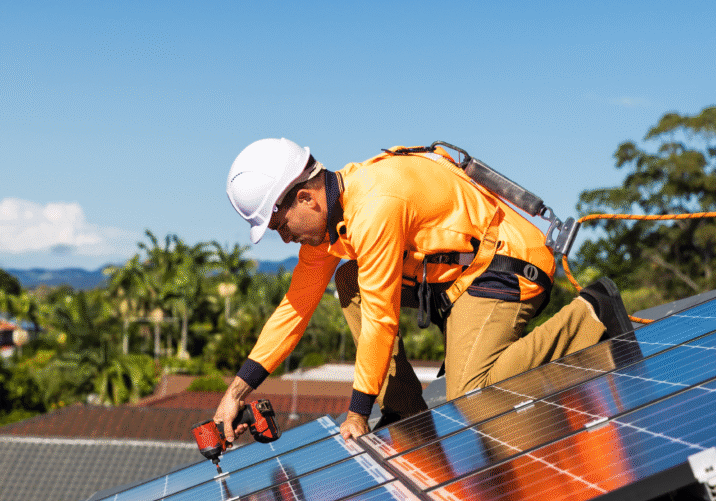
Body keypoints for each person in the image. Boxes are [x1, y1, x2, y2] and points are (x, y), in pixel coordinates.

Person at [214, 138, 631, 443]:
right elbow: (295, 308)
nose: (284, 239)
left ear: (306, 198)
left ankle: (591, 313)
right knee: (348, 279)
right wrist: (236, 392)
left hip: (506, 265)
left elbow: (381, 317)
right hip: (456, 281)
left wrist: (358, 413)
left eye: (281, 226)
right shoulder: (330, 227)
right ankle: (404, 410)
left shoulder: (376, 204)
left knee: (471, 393)